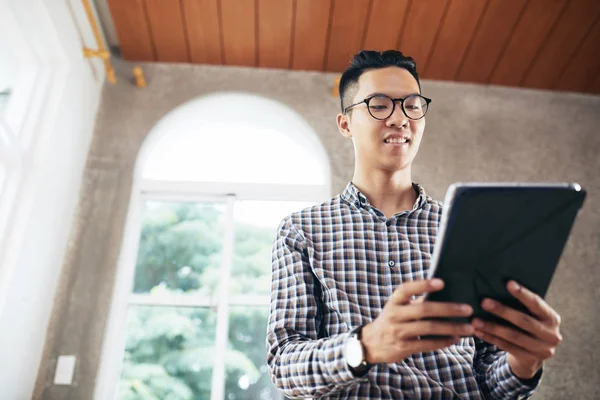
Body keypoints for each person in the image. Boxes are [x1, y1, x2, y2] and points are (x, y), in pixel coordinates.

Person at [266, 50, 562, 399]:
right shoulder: (301, 231)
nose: (399, 118)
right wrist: (364, 347)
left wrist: (524, 363)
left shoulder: (468, 231)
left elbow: (490, 380)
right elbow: (284, 364)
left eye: (412, 104)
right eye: (379, 104)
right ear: (346, 124)